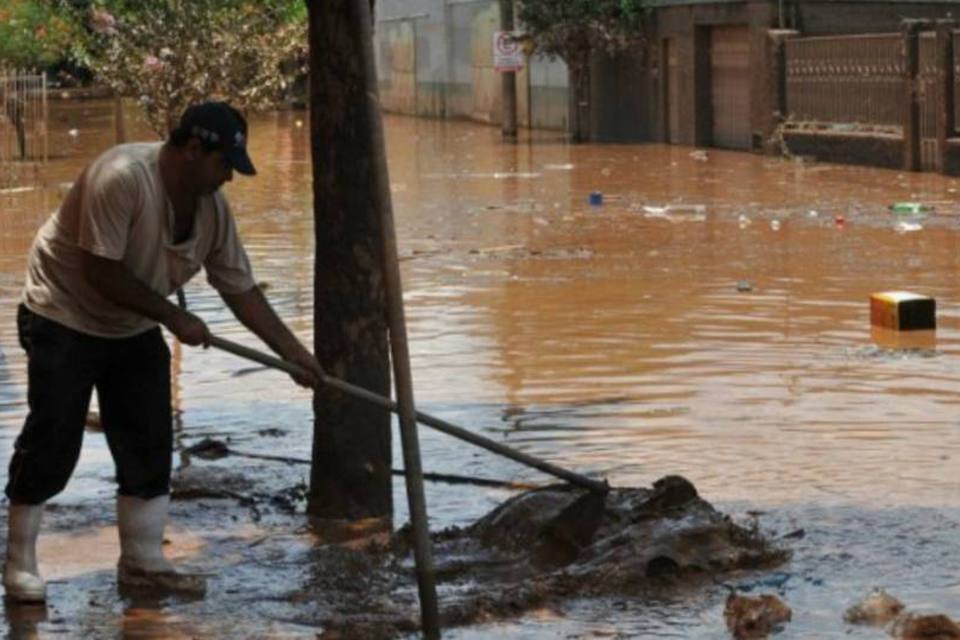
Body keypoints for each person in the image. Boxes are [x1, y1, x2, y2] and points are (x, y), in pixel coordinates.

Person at [3, 101, 324, 602]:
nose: (229, 180)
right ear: (192, 150)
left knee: (149, 438)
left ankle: (142, 561)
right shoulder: (122, 178)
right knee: (53, 438)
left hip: (132, 322)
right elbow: (100, 271)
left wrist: (292, 354)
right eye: (224, 166)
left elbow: (240, 289)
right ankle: (19, 563)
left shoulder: (213, 211)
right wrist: (174, 316)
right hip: (62, 311)